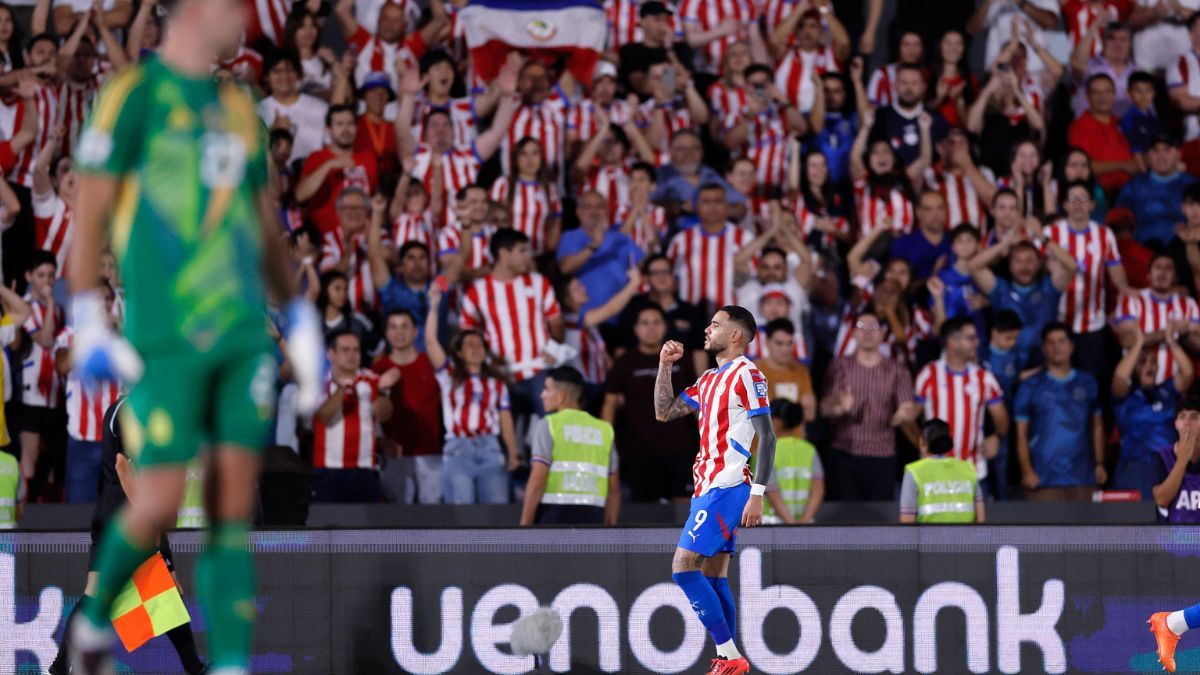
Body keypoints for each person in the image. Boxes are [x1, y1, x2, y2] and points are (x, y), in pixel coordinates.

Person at [66, 2, 325, 673]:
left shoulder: (238, 106)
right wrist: (88, 311)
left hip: (236, 328)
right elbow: (89, 209)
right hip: (168, 331)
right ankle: (90, 631)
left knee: (230, 513)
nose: (239, 18)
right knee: (154, 507)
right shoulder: (129, 96)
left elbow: (261, 223)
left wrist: (295, 313)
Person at [654, 305, 776, 675]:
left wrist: (758, 493)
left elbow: (768, 437)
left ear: (735, 335)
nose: (707, 330)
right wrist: (664, 367)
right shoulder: (709, 379)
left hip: (727, 486)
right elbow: (664, 412)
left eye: (715, 324)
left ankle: (730, 656)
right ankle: (728, 660)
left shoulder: (747, 374)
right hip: (707, 486)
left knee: (682, 568)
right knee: (714, 575)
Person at [48, 398, 206, 675]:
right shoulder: (135, 410)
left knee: (96, 593)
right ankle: (195, 668)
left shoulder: (123, 409)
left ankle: (60, 668)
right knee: (166, 588)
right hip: (128, 507)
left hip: (109, 507)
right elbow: (127, 469)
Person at [426, 286, 520, 504]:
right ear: (459, 352)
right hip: (459, 449)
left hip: (490, 449)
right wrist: (433, 307)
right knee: (462, 515)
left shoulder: (497, 384)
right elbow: (431, 342)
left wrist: (513, 453)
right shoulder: (448, 375)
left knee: (496, 514)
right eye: (469, 345)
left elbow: (505, 419)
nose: (475, 348)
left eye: (479, 345)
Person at [602, 304, 698, 503]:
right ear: (636, 329)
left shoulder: (682, 359)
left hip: (680, 448)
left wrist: (708, 436)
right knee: (644, 515)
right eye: (644, 323)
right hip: (638, 451)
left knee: (685, 510)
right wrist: (606, 442)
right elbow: (610, 404)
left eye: (656, 322)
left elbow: (696, 400)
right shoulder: (625, 362)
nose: (651, 328)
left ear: (665, 326)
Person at [821, 307, 920, 500]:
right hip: (844, 454)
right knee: (843, 520)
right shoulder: (839, 366)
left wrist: (906, 414)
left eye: (873, 327)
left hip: (881, 456)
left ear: (882, 333)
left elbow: (908, 407)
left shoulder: (896, 370)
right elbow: (823, 408)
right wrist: (839, 407)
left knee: (879, 522)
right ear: (854, 333)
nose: (867, 332)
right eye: (861, 327)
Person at [1014, 323, 1106, 501]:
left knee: (1085, 529)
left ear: (1071, 346)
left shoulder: (1088, 382)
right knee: (1043, 529)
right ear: (1043, 348)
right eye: (1050, 342)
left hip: (1083, 476)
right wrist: (1026, 471)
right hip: (1043, 477)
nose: (1056, 347)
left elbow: (1097, 426)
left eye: (1061, 341)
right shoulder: (1030, 386)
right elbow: (1021, 434)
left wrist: (1100, 463)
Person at [914, 318, 1009, 490]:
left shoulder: (984, 378)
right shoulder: (928, 375)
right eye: (971, 338)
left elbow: (1001, 415)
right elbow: (911, 417)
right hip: (934, 473)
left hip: (972, 472)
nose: (977, 342)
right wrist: (924, 448)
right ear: (952, 342)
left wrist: (998, 437)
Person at [520, 366, 621, 526]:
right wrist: (610, 528)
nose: (542, 395)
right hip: (594, 516)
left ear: (562, 396)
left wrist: (524, 524)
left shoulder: (549, 424)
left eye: (546, 389)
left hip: (553, 515)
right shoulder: (605, 430)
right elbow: (614, 488)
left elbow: (538, 480)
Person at [1112, 324, 1193, 499]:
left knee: (1168, 523)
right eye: (1143, 362)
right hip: (1135, 469)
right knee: (1136, 524)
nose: (1149, 366)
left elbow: (1187, 373)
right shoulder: (1126, 397)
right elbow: (1119, 377)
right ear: (1134, 366)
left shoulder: (1166, 392)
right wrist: (1138, 344)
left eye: (1153, 362)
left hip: (1168, 467)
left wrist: (1171, 342)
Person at [1148, 398, 1200, 670]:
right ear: (1175, 423)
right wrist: (1181, 462)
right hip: (1173, 549)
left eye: (1195, 416)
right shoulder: (1163, 456)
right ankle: (1172, 624)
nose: (1189, 423)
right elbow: (1161, 499)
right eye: (1183, 417)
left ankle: (1172, 624)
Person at [372, 310, 441, 505]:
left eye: (404, 326)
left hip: (431, 454)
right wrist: (380, 442)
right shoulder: (378, 369)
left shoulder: (430, 364)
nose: (398, 332)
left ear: (415, 332)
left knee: (433, 520)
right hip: (395, 456)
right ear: (386, 333)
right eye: (393, 327)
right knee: (397, 521)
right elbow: (371, 413)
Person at [1114, 135, 1196, 248]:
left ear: (1178, 154)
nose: (1161, 156)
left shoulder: (1193, 185)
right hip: (1142, 251)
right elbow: (1119, 219)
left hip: (1184, 250)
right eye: (1155, 150)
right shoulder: (1134, 185)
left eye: (1167, 149)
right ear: (1147, 156)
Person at [899, 418, 984, 523]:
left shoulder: (913, 472)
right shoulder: (968, 468)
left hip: (928, 539)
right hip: (965, 538)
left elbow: (907, 521)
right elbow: (980, 518)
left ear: (922, 442)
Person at [763, 399, 824, 525]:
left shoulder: (767, 451)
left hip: (773, 526)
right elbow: (818, 491)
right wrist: (804, 522)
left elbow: (772, 493)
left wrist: (791, 525)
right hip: (805, 525)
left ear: (777, 422)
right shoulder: (810, 450)